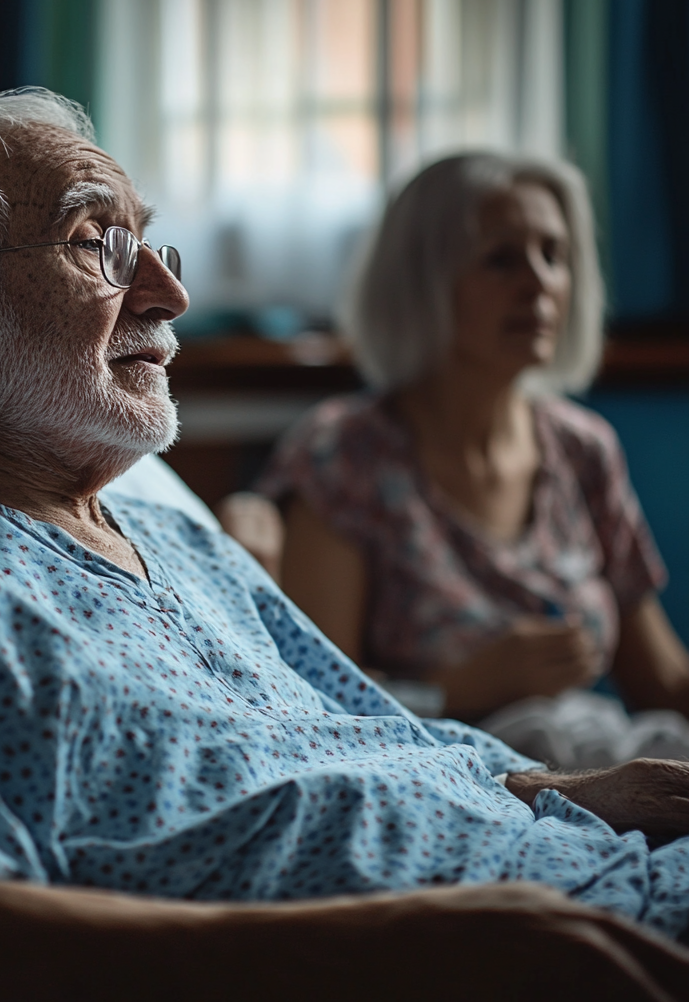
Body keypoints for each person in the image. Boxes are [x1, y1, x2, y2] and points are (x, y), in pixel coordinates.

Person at [0, 92, 689, 1002]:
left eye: (151, 245)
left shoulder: (175, 540)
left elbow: (373, 739)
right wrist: (390, 945)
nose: (170, 294)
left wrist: (579, 789)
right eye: (98, 244)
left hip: (599, 869)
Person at [259, 152, 689, 768]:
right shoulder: (343, 456)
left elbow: (664, 683)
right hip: (445, 781)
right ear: (423, 281)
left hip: (597, 760)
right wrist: (460, 687)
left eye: (554, 255)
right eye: (500, 258)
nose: (539, 282)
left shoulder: (583, 449)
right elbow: (314, 701)